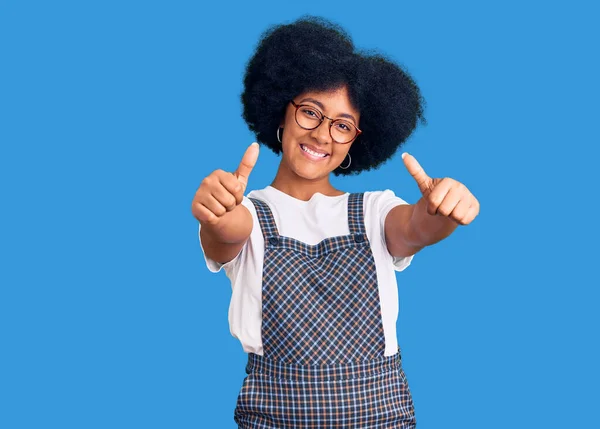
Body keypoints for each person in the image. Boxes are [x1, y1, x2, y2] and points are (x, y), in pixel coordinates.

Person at [191, 16, 479, 429]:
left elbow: (416, 228)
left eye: (342, 125)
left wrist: (443, 211)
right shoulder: (248, 213)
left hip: (381, 417)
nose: (323, 134)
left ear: (356, 141)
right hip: (274, 416)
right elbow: (227, 233)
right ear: (282, 111)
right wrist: (216, 213)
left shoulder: (376, 210)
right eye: (311, 112)